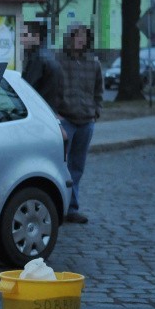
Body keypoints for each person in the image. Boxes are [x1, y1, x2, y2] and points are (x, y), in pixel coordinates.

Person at [57, 24, 103, 224]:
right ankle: (58, 207)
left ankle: (72, 209)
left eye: (84, 37)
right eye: (77, 37)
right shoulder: (58, 61)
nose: (80, 41)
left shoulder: (93, 63)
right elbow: (50, 88)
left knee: (77, 167)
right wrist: (55, 115)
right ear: (70, 38)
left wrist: (96, 111)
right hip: (65, 120)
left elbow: (99, 90)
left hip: (86, 121)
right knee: (60, 165)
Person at [21, 21, 63, 112]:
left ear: (36, 37)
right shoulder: (50, 54)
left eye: (24, 35)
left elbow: (28, 88)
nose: (21, 40)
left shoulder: (38, 58)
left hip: (39, 109)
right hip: (50, 109)